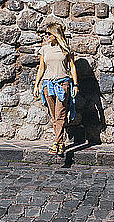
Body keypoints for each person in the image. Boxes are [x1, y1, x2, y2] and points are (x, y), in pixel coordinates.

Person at [33, 23, 79, 156]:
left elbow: (72, 67)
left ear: (56, 35)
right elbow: (41, 68)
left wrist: (75, 84)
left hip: (63, 85)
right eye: (45, 34)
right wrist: (36, 85)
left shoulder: (66, 49)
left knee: (60, 115)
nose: (46, 36)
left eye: (49, 34)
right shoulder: (44, 49)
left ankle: (56, 143)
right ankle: (61, 144)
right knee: (54, 117)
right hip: (48, 85)